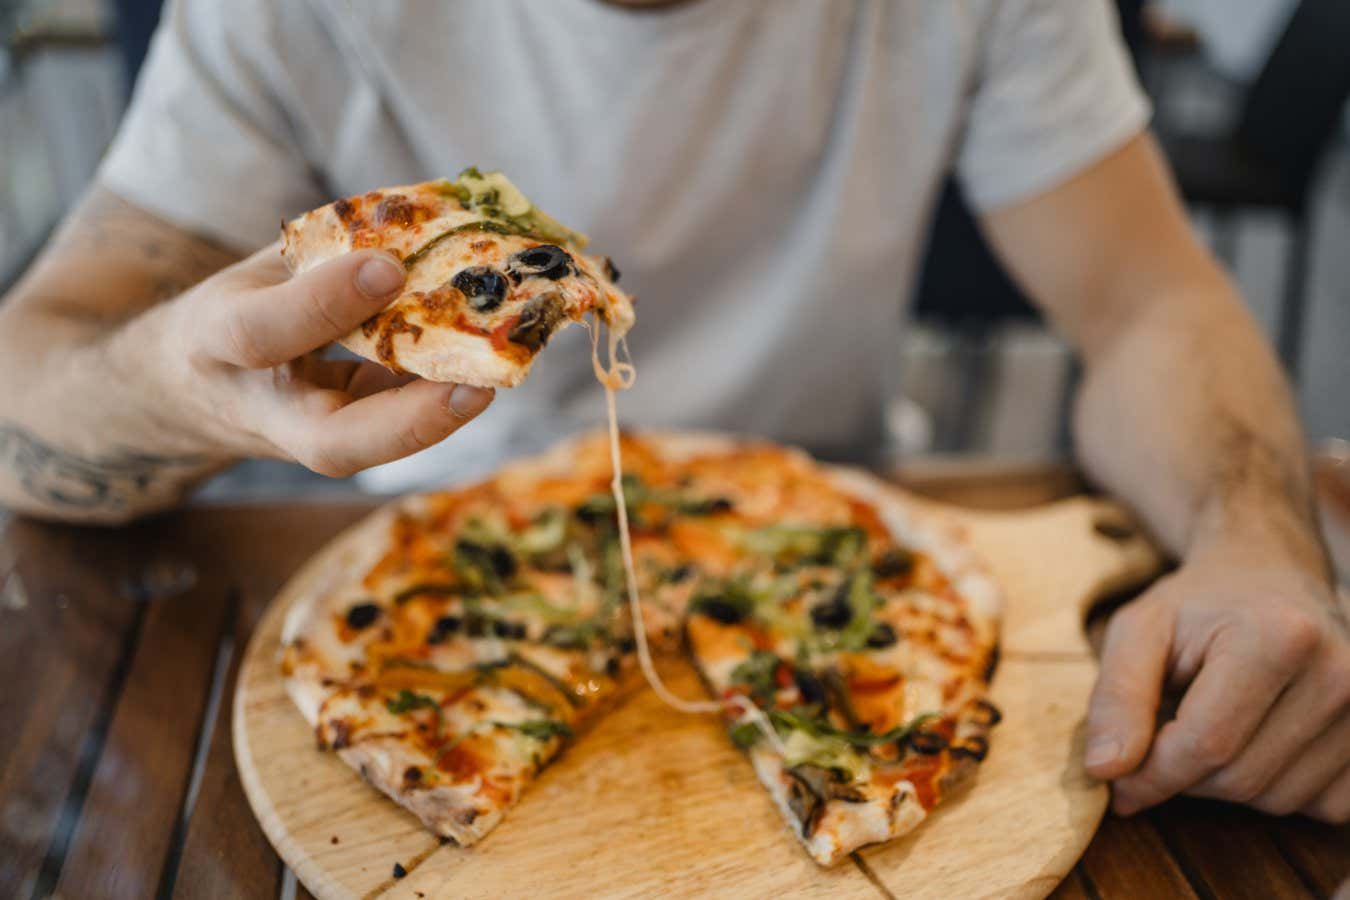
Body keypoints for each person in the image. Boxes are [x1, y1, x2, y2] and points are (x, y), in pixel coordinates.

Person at [0, 0, 1345, 826]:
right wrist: (171, 380)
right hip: (430, 577)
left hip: (838, 548)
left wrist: (1258, 543)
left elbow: (1148, 304)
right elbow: (31, 382)